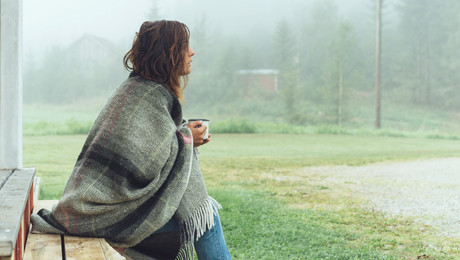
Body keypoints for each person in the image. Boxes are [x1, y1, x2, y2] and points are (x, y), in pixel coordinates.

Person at [31, 20, 232, 260]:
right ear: (167, 53)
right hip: (99, 214)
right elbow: (147, 165)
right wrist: (186, 138)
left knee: (202, 212)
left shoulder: (140, 90)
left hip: (97, 209)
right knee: (205, 215)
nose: (192, 52)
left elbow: (150, 151)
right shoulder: (145, 95)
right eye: (185, 46)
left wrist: (183, 136)